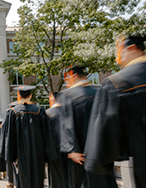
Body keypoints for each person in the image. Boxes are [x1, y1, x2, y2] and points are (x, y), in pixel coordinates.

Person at [84, 31, 146, 188]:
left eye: (121, 51)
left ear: (132, 48)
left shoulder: (119, 83)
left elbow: (107, 128)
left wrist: (96, 161)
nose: (119, 58)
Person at [60, 66, 118, 188]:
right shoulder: (98, 91)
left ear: (73, 75)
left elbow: (68, 124)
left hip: (81, 152)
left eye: (67, 77)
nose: (67, 80)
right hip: (101, 149)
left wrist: (73, 149)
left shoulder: (68, 95)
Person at [5, 85, 57, 188]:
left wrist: (11, 155)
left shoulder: (13, 112)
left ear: (18, 95)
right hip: (38, 154)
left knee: (23, 178)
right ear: (31, 96)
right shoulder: (40, 111)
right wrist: (48, 154)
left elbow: (10, 136)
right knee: (38, 178)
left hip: (21, 155)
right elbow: (47, 134)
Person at [45, 93, 69, 188]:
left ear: (51, 99)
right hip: (69, 150)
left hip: (54, 151)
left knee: (56, 178)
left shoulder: (48, 113)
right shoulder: (68, 111)